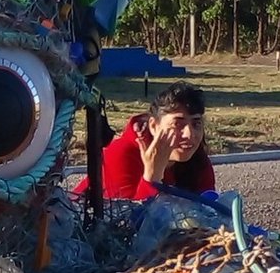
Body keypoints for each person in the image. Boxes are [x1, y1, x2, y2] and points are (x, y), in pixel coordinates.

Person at [79, 84, 216, 202]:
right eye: (178, 124)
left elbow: (209, 210)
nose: (189, 134)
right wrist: (152, 176)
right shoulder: (121, 154)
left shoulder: (197, 159)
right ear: (154, 126)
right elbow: (126, 220)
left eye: (196, 124)